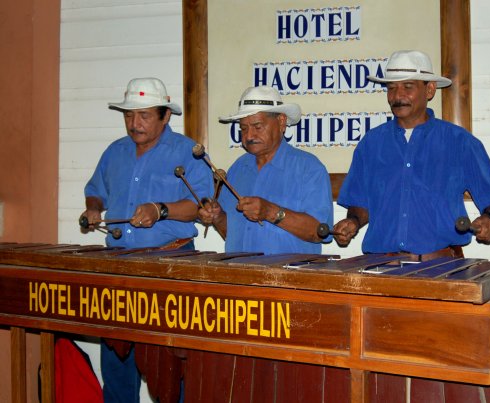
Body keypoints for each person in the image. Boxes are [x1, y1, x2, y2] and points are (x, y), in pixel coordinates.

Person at [81, 77, 213, 402]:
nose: (134, 123)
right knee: (116, 368)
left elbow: (202, 205)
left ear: (165, 116)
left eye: (143, 116)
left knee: (169, 370)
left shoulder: (188, 152)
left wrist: (161, 209)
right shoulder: (115, 152)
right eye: (129, 115)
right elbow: (95, 191)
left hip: (171, 265)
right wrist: (93, 210)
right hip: (118, 269)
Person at [334, 50, 490, 259]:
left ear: (430, 90)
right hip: (382, 268)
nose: (397, 96)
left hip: (443, 268)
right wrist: (352, 222)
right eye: (391, 88)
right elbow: (360, 204)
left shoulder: (460, 142)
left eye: (408, 87)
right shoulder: (370, 144)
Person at [198, 85, 333, 254]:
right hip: (240, 275)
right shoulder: (238, 168)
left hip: (289, 277)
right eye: (244, 128)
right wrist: (217, 218)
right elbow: (232, 235)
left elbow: (319, 232)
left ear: (281, 122)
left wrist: (270, 211)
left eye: (258, 126)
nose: (249, 136)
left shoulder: (309, 168)